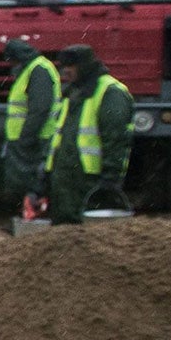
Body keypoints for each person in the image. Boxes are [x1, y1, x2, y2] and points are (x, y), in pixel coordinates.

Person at [41, 45, 133, 224]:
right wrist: (45, 172)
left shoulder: (110, 92)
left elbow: (116, 139)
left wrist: (110, 178)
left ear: (84, 65)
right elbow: (57, 137)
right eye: (64, 66)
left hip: (90, 181)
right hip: (66, 180)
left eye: (71, 66)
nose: (66, 71)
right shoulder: (73, 92)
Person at [0, 37, 59, 204]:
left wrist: (27, 136)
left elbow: (40, 108)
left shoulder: (37, 70)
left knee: (32, 183)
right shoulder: (35, 68)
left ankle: (32, 213)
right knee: (30, 182)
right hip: (29, 136)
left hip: (35, 138)